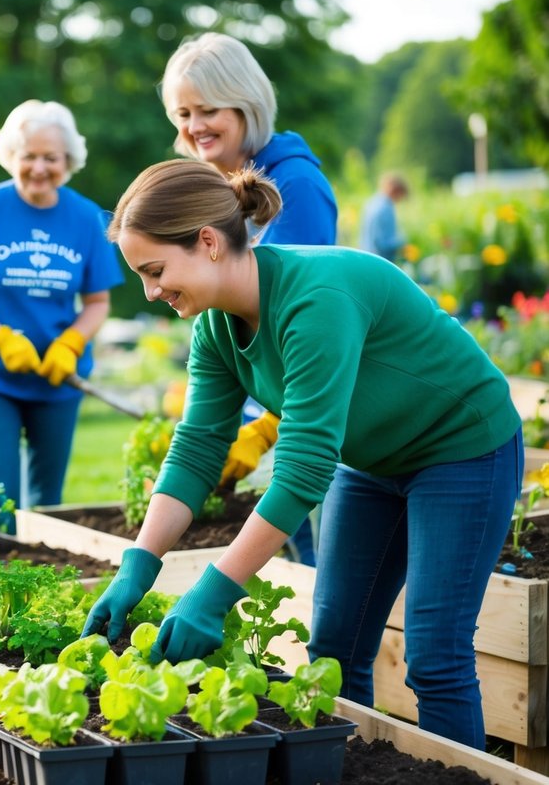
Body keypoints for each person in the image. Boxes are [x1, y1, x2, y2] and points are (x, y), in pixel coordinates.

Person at [82, 159, 522, 750]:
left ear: (208, 242)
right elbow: (197, 448)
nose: (151, 291)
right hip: (371, 463)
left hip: (462, 449)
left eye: (155, 270)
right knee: (335, 649)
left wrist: (215, 592)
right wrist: (139, 565)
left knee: (434, 655)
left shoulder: (317, 300)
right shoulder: (216, 327)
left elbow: (303, 470)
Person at [161, 31, 339, 564]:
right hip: (265, 407)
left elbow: (305, 317)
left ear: (246, 104)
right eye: (183, 113)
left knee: (318, 558)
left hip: (301, 412)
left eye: (209, 109)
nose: (194, 127)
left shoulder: (295, 185)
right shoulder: (217, 188)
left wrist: (268, 428)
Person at [0, 100, 123, 513]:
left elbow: (98, 301)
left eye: (50, 157)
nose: (39, 168)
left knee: (47, 503)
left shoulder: (88, 218)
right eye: (28, 156)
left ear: (68, 159)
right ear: (10, 157)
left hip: (58, 376)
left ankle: (43, 577)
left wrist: (71, 343)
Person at [359, 172, 410, 262]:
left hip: (366, 254)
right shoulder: (385, 208)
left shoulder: (372, 202)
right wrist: (402, 244)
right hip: (380, 258)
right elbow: (384, 242)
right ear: (396, 191)